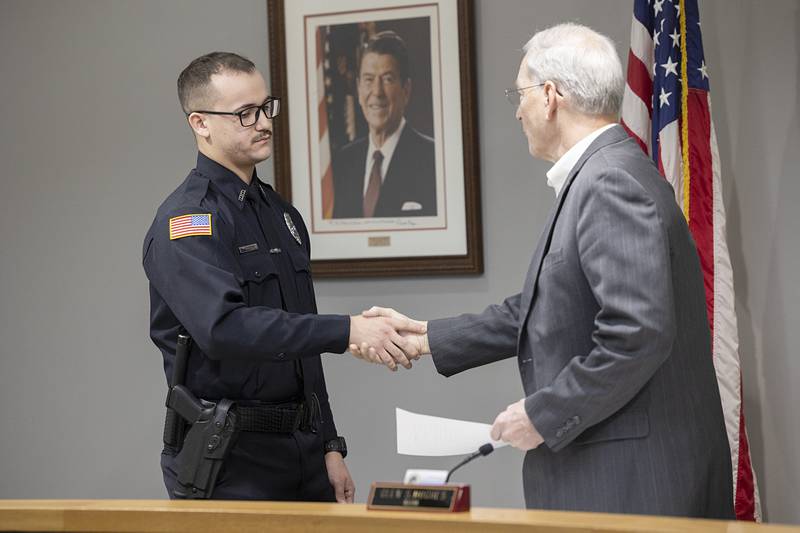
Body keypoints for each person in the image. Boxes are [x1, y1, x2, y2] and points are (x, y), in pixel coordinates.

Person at [353, 24, 735, 518]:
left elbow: (637, 332)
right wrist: (426, 336)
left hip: (632, 483)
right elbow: (540, 307)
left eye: (521, 92)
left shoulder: (609, 183)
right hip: (620, 478)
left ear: (552, 96)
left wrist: (543, 414)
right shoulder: (604, 174)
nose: (517, 109)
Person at [142, 52, 424, 502]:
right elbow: (224, 329)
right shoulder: (189, 220)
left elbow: (298, 343)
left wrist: (330, 445)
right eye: (244, 114)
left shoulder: (280, 214)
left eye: (265, 107)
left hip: (303, 449)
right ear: (200, 123)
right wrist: (347, 329)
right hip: (231, 459)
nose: (262, 122)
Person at [331, 31, 436, 218]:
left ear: (406, 90)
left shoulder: (433, 158)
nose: (377, 92)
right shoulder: (343, 162)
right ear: (358, 88)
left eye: (387, 79)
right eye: (369, 80)